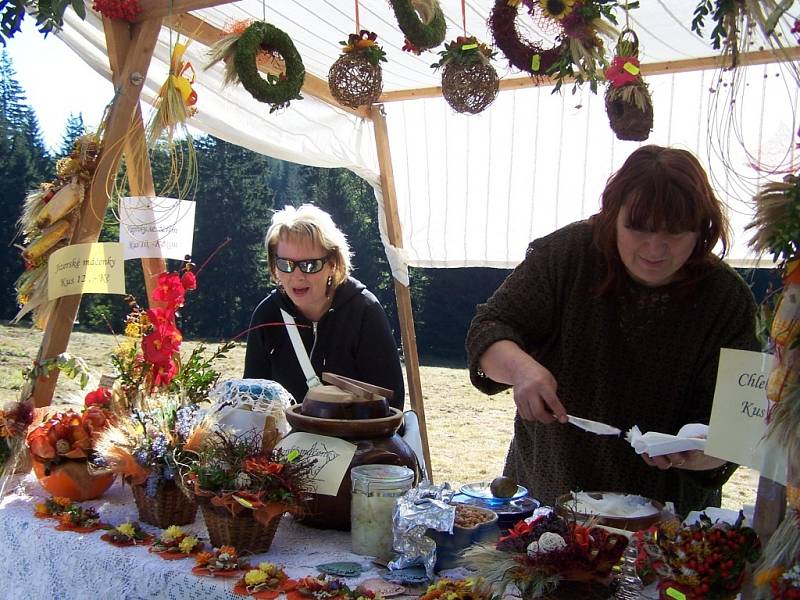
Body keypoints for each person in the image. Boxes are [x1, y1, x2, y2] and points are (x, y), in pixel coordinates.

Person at [466, 145, 759, 515]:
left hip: (663, 522)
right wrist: (522, 370)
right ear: (612, 216)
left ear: (701, 228)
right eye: (638, 228)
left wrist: (698, 454)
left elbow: (732, 431)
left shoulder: (727, 299)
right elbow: (488, 328)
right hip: (547, 501)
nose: (655, 248)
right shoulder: (566, 256)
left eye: (675, 232)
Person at [244, 204, 405, 410]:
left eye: (310, 265)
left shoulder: (364, 311)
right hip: (285, 440)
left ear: (333, 264)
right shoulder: (266, 316)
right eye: (285, 264)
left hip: (354, 439)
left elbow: (390, 406)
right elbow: (251, 401)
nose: (297, 275)